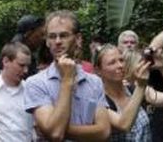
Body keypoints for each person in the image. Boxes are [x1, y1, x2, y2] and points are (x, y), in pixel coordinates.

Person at [24, 10, 110, 141]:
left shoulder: (94, 82)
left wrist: (55, 127)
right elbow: (55, 135)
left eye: (64, 35)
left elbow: (104, 132)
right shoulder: (36, 83)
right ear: (47, 41)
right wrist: (67, 80)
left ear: (78, 39)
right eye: (52, 37)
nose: (57, 41)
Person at [96, 45, 163, 142]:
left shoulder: (132, 89)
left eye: (121, 60)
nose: (120, 65)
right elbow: (124, 125)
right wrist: (141, 86)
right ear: (98, 70)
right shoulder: (99, 99)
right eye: (112, 62)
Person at [0, 42, 35, 142]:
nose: (26, 70)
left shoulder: (31, 91)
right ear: (6, 61)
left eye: (28, 66)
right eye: (21, 65)